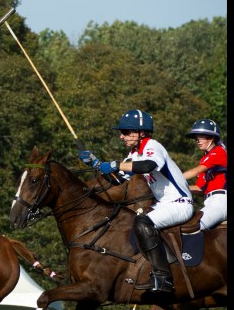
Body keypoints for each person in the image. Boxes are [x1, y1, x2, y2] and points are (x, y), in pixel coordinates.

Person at [79, 109, 193, 292]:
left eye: (125, 132)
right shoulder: (134, 153)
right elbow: (117, 179)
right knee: (127, 222)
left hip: (180, 203)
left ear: (141, 132)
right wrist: (97, 164)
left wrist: (115, 164)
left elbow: (148, 165)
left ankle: (163, 278)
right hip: (163, 205)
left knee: (142, 222)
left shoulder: (152, 146)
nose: (121, 136)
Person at [181, 119, 226, 230]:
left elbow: (195, 172)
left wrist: (172, 180)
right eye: (196, 138)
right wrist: (179, 187)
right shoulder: (205, 159)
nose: (198, 141)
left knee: (192, 227)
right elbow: (199, 189)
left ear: (212, 138)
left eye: (202, 137)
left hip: (221, 200)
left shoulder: (219, 152)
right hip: (209, 201)